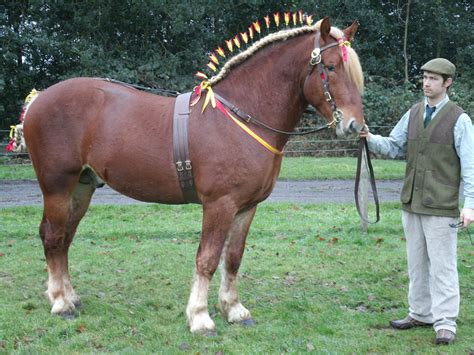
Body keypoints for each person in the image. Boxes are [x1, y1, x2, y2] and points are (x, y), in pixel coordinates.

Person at [360, 58, 474, 345]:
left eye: (434, 79)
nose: (426, 83)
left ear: (447, 83)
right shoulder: (412, 113)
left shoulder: (459, 119)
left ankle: (445, 322)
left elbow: (471, 165)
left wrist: (470, 204)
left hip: (441, 206)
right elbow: (393, 146)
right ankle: (420, 313)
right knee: (416, 264)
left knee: (443, 266)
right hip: (412, 204)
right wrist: (369, 136)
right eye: (424, 77)